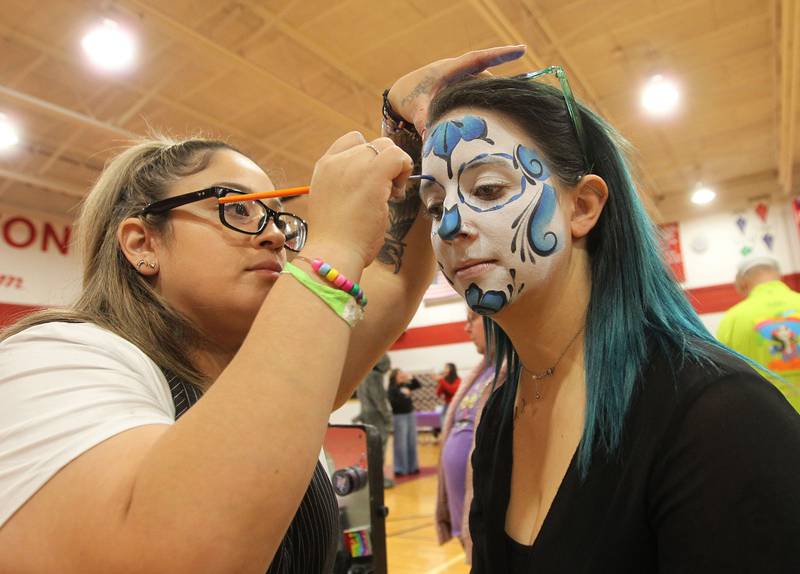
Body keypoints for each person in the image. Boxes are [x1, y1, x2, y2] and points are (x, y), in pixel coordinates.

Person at [0, 46, 527, 573]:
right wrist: (332, 244)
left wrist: (403, 129)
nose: (275, 233)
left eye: (278, 216)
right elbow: (171, 555)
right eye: (238, 208)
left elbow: (389, 275)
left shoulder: (268, 369)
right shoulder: (54, 358)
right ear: (142, 243)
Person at [407, 72, 800, 571]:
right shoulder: (501, 413)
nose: (450, 224)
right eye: (435, 206)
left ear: (583, 206)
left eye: (486, 188)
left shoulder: (722, 414)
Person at [436, 308, 506, 563]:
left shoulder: (510, 369)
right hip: (461, 503)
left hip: (486, 507)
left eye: (471, 320)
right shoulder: (482, 371)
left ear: (493, 320)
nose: (466, 328)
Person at [716, 256, 800, 412]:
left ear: (742, 282)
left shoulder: (732, 319)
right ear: (777, 276)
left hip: (769, 417)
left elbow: (723, 376)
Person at [353, 353, 394, 487]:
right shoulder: (375, 376)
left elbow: (363, 398)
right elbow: (379, 401)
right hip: (376, 417)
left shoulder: (362, 376)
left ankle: (372, 479)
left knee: (371, 449)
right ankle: (378, 480)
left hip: (367, 415)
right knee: (379, 449)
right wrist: (388, 419)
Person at [387, 368, 421, 476]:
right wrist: (404, 394)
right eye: (399, 374)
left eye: (402, 374)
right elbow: (394, 402)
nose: (401, 375)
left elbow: (417, 384)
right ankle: (400, 468)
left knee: (412, 441)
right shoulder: (392, 388)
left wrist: (410, 377)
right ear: (394, 377)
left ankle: (413, 467)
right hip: (399, 417)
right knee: (400, 444)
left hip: (410, 415)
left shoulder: (405, 385)